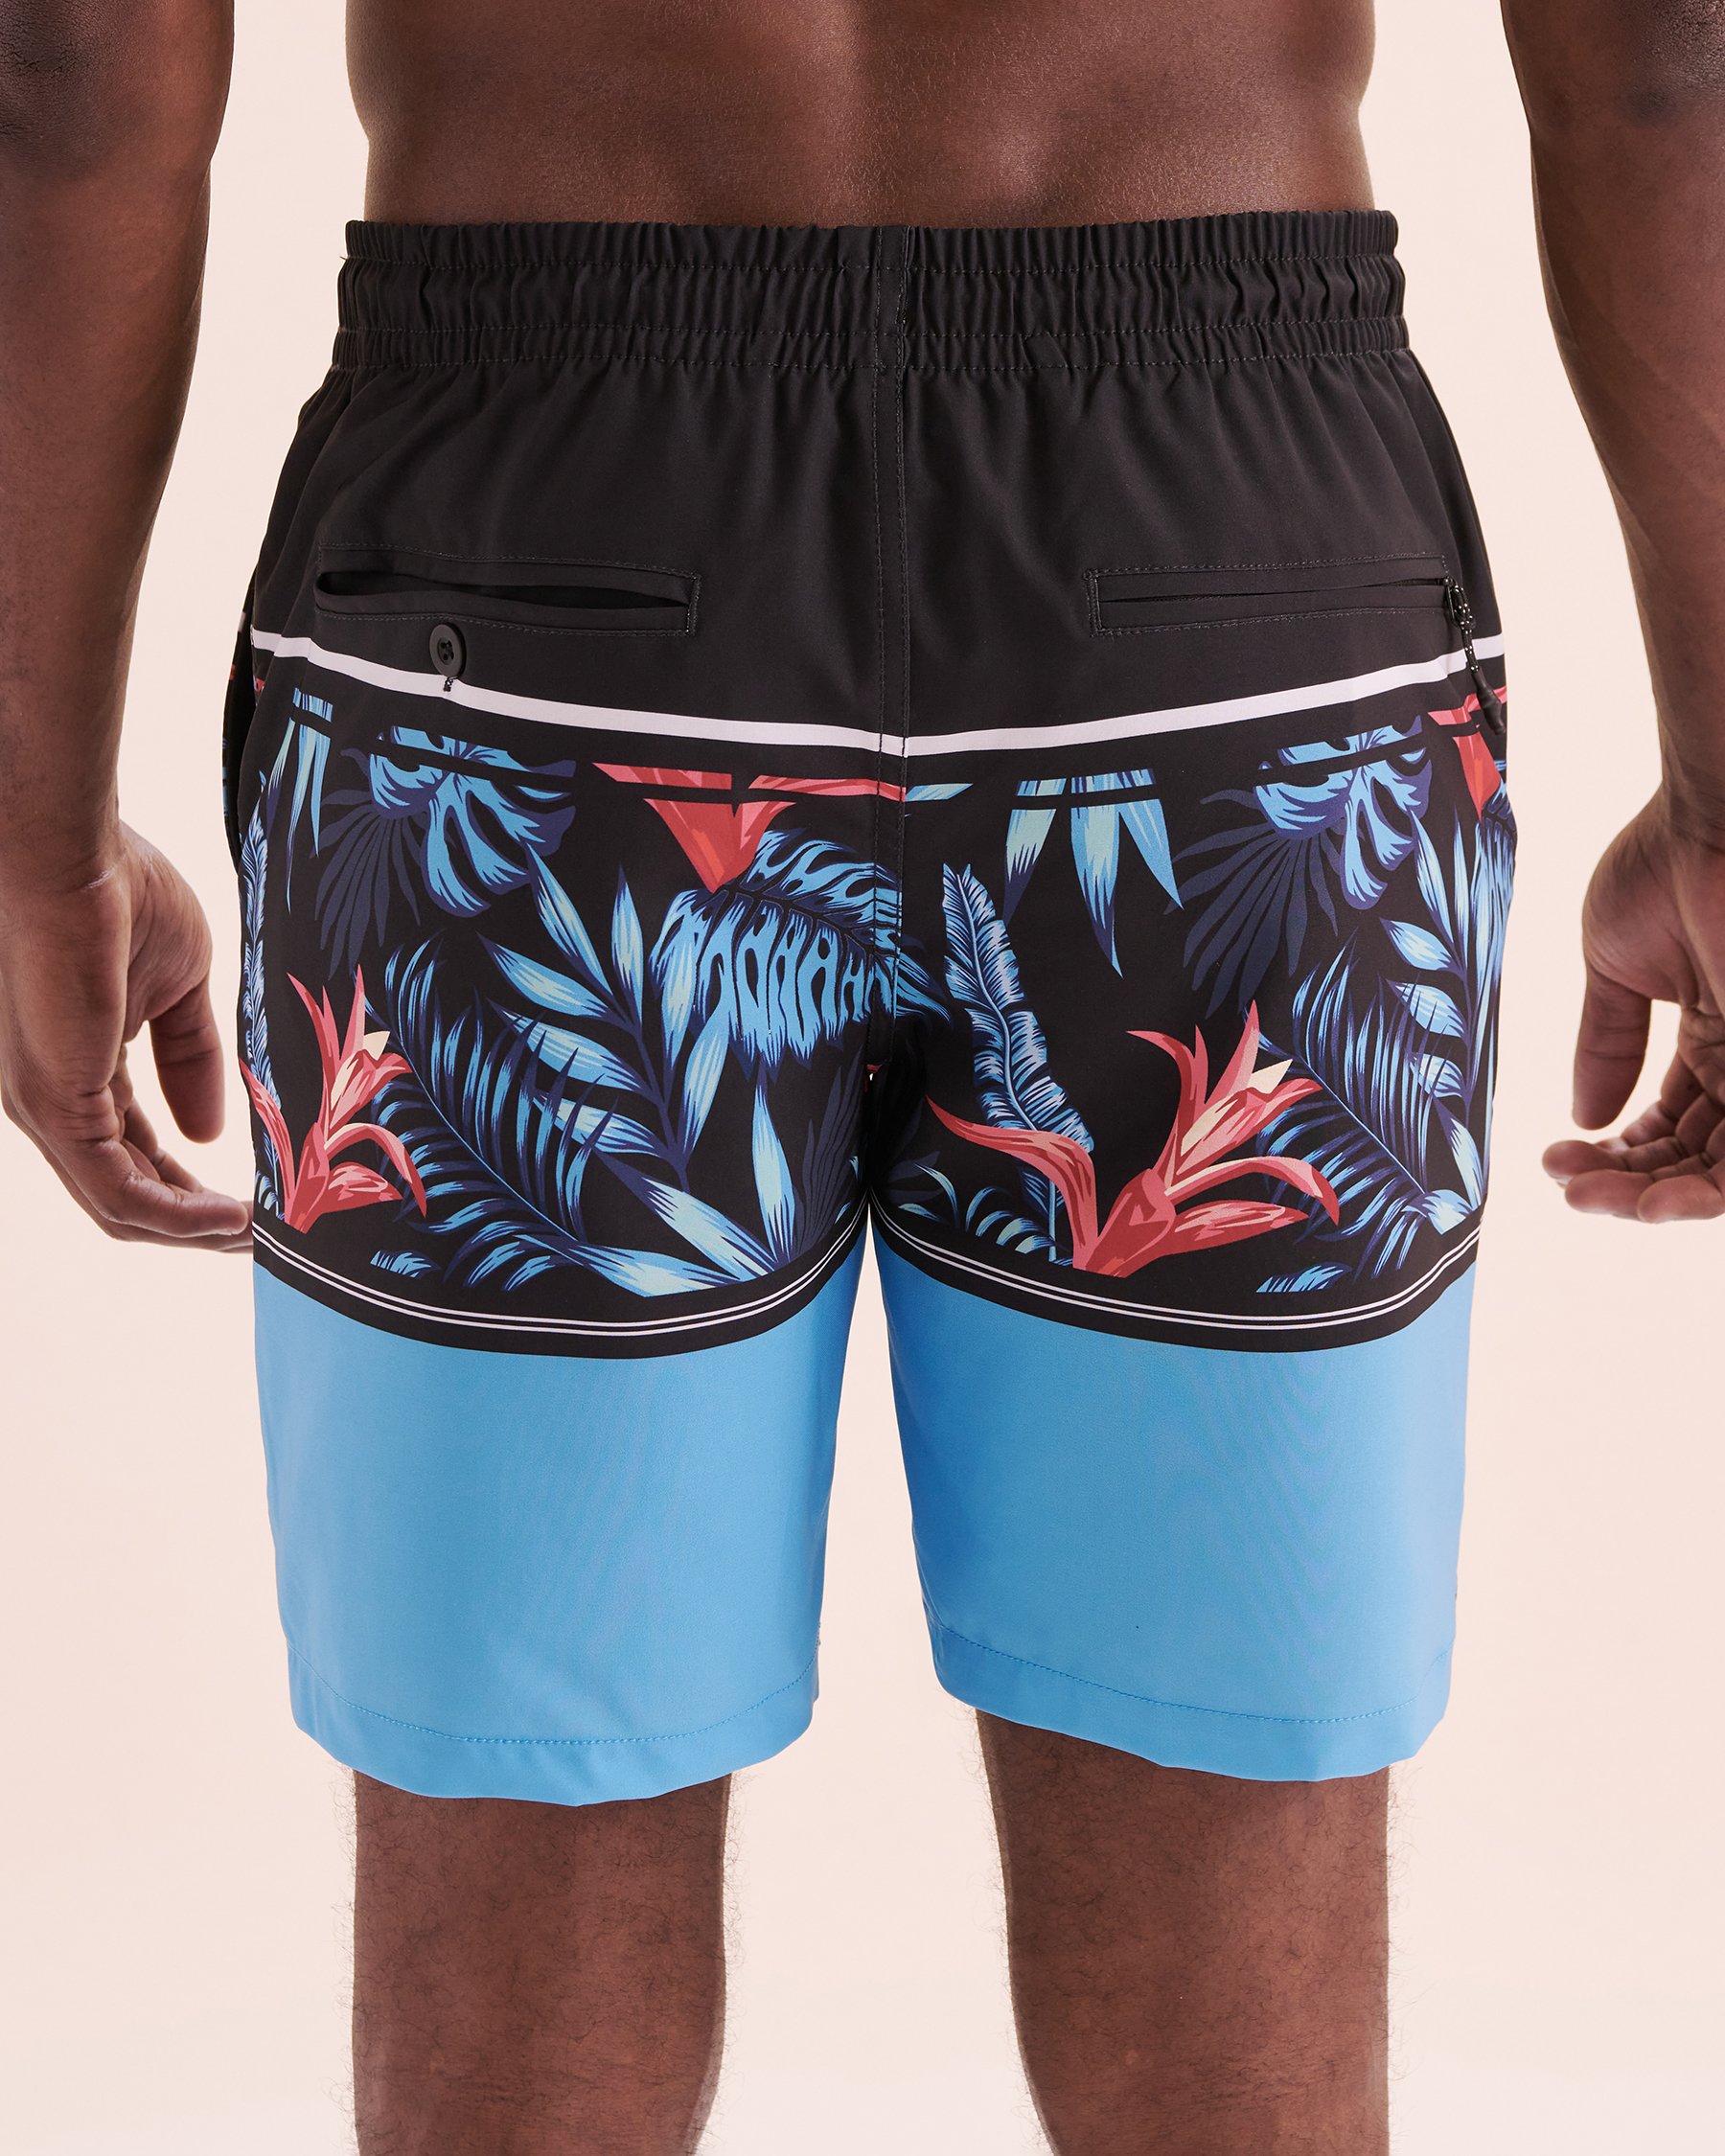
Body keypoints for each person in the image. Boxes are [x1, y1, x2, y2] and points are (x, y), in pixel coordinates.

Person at [2, 4, 1720, 2150]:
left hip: (530, 590)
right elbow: (1665, 56)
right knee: (1234, 1880)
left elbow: (72, 73)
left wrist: (34, 839)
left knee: (519, 1879)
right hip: (1234, 597)